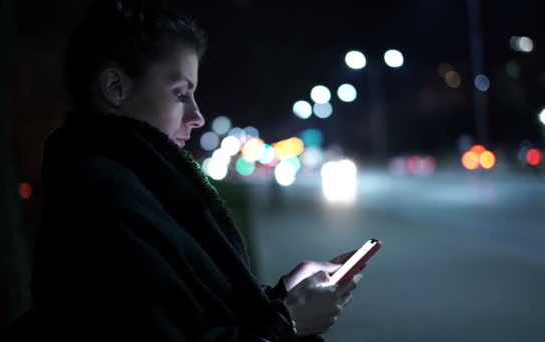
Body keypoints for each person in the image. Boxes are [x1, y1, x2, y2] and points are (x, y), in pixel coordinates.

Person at [26, 1, 365, 341]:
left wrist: (282, 296)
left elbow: (196, 311)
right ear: (115, 88)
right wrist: (287, 323)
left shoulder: (142, 186)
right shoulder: (101, 199)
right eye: (180, 94)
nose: (197, 116)